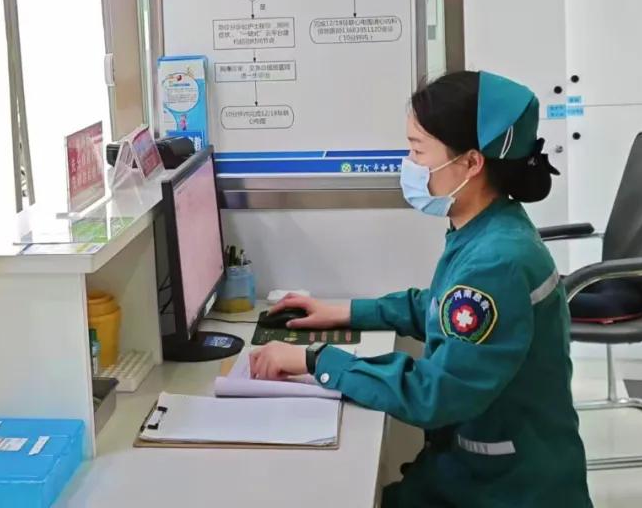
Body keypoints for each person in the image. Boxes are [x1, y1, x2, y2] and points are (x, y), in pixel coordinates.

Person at [250, 71, 592, 507]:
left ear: (471, 162)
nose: (408, 164)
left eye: (417, 150)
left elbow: (436, 393)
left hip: (507, 490)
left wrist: (316, 360)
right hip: (477, 467)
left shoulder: (496, 262)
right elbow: (441, 308)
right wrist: (347, 312)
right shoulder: (489, 227)